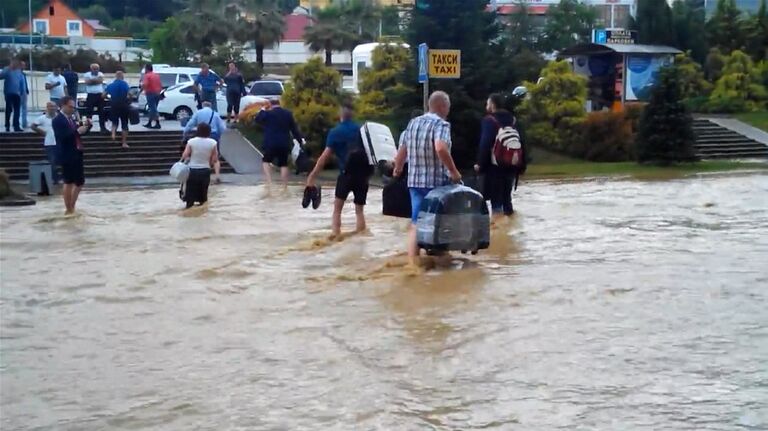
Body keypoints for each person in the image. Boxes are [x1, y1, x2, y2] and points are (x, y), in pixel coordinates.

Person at [393, 91, 462, 266]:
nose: (448, 110)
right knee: (441, 221)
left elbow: (403, 149)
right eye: (448, 107)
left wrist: (398, 168)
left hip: (415, 182)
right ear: (442, 106)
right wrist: (453, 172)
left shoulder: (413, 123)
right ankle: (441, 260)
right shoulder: (442, 125)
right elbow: (440, 148)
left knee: (417, 222)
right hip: (437, 184)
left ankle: (413, 263)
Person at [306, 103, 368, 238]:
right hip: (363, 175)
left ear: (340, 115)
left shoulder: (335, 132)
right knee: (359, 211)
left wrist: (312, 176)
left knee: (337, 209)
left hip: (345, 175)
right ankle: (362, 239)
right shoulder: (361, 130)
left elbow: (324, 157)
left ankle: (335, 236)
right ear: (352, 115)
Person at [474, 93, 528, 218]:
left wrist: (480, 165)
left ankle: (499, 233)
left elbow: (485, 144)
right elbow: (522, 142)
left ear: (492, 105)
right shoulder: (513, 120)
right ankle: (510, 228)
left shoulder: (489, 120)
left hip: (495, 168)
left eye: (488, 103)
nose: (486, 106)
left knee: (496, 201)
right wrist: (522, 165)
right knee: (507, 199)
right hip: (512, 165)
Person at [53, 96, 92, 214]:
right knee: (69, 181)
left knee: (80, 182)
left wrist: (87, 127)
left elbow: (77, 135)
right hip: (67, 154)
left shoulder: (70, 119)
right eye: (70, 107)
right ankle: (69, 208)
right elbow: (63, 137)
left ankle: (71, 206)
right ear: (63, 105)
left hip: (77, 151)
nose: (72, 109)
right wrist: (77, 131)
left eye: (73, 107)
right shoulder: (58, 120)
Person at [254, 100, 304, 189]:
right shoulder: (288, 114)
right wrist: (300, 141)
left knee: (266, 161)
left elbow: (257, 119)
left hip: (270, 144)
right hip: (284, 143)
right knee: (283, 164)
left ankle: (269, 182)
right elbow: (294, 129)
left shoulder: (268, 114)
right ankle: (285, 185)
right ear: (280, 104)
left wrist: (262, 109)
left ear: (270, 105)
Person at [183, 101, 225, 182]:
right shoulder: (215, 114)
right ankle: (217, 175)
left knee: (202, 154)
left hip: (201, 134)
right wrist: (219, 135)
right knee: (216, 158)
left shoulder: (198, 113)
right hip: (214, 135)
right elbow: (222, 127)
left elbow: (191, 123)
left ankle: (204, 172)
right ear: (210, 106)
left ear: (202, 105)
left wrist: (185, 132)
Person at [181, 123, 218, 209]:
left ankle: (188, 213)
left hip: (192, 171)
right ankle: (202, 213)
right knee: (203, 196)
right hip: (205, 171)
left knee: (190, 196)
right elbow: (215, 159)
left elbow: (185, 155)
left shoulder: (191, 141)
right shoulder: (213, 142)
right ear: (209, 131)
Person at [31, 101, 60, 183]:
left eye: (54, 106)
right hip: (49, 143)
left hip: (60, 142)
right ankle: (55, 180)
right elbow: (33, 126)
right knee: (52, 162)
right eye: (50, 106)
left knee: (61, 162)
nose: (52, 108)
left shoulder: (59, 117)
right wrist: (42, 132)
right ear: (47, 108)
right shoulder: (42, 118)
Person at [104, 71, 131, 148]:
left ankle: (113, 135)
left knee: (114, 122)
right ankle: (124, 143)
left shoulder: (111, 85)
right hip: (123, 104)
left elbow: (103, 95)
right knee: (124, 123)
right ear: (122, 77)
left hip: (114, 104)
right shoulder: (125, 84)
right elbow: (129, 95)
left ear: (116, 77)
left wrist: (109, 98)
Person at [0, 59, 24, 132]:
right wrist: (8, 69)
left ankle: (16, 126)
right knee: (9, 109)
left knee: (17, 110)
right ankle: (7, 125)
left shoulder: (19, 71)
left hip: (17, 94)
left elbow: (21, 82)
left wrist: (22, 91)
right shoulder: (7, 69)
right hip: (8, 93)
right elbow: (1, 76)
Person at [84, 63, 106, 133]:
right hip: (90, 95)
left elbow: (100, 81)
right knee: (89, 112)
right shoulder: (87, 74)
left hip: (99, 95)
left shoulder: (101, 74)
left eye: (97, 69)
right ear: (91, 69)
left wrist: (92, 80)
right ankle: (87, 128)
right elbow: (87, 82)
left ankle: (103, 128)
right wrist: (96, 80)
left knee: (101, 112)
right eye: (94, 69)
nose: (96, 70)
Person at [141, 63, 162, 129]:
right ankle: (149, 123)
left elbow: (145, 84)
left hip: (150, 93)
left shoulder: (147, 76)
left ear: (147, 69)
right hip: (157, 93)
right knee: (153, 108)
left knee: (153, 109)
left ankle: (158, 123)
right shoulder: (156, 75)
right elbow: (160, 84)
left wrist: (142, 89)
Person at [20, 61, 29, 129]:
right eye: (23, 65)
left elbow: (25, 84)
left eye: (24, 65)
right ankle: (19, 123)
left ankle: (24, 123)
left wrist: (26, 90)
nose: (24, 67)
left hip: (24, 93)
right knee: (18, 109)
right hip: (18, 93)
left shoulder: (23, 74)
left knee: (24, 109)